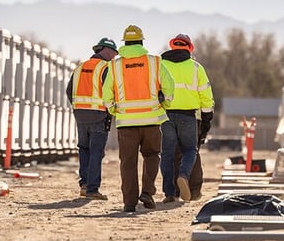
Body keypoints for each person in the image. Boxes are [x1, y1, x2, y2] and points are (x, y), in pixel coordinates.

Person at [102, 25, 174, 213]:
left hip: (126, 124)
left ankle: (129, 203)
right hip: (151, 121)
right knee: (151, 156)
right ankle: (148, 192)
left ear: (124, 43)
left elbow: (106, 93)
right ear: (142, 42)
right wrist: (164, 105)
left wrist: (113, 109)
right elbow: (169, 86)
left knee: (128, 162)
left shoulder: (115, 65)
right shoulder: (155, 62)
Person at [160, 33, 214, 202]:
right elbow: (206, 95)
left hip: (166, 115)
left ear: (172, 46)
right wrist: (207, 117)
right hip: (189, 116)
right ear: (189, 48)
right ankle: (183, 176)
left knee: (167, 154)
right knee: (190, 150)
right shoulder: (196, 67)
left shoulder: (161, 65)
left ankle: (170, 193)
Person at [67, 37, 118, 200]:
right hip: (98, 115)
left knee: (84, 149)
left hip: (80, 115)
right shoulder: (106, 68)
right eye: (114, 54)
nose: (114, 57)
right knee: (96, 152)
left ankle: (84, 185)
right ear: (107, 50)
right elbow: (111, 92)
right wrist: (111, 111)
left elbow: (69, 91)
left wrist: (78, 106)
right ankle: (92, 189)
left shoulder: (80, 66)